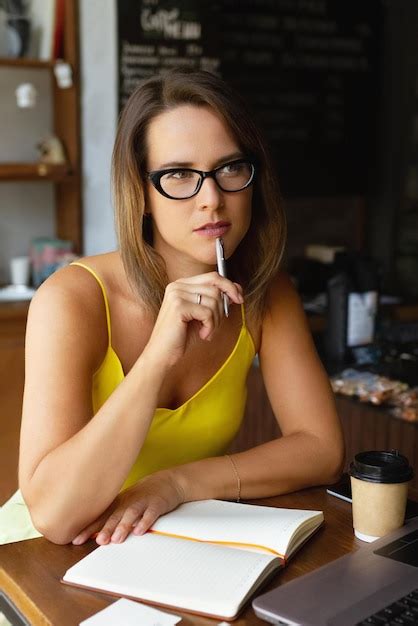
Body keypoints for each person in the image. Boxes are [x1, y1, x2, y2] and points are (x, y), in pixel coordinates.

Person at [18, 69, 344, 546]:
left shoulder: (266, 293)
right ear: (141, 191)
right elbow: (54, 516)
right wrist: (156, 358)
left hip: (176, 547)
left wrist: (177, 484)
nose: (211, 200)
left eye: (230, 168)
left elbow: (321, 449)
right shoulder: (72, 300)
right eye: (178, 174)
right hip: (40, 562)